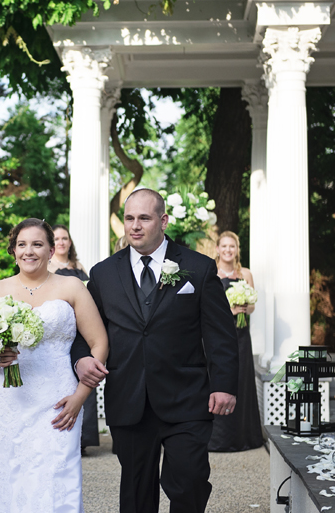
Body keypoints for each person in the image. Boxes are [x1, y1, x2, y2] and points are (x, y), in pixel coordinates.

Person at [72, 187, 239, 513]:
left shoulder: (199, 268)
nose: (135, 226)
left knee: (189, 480)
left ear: (163, 220)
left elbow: (220, 335)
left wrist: (223, 385)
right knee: (135, 492)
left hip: (186, 398)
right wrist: (80, 358)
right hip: (129, 397)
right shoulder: (104, 274)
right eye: (129, 218)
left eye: (144, 218)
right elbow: (83, 329)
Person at [0, 218, 109, 512]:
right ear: (13, 250)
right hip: (6, 402)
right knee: (6, 477)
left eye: (37, 244)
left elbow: (99, 344)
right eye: (22, 245)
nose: (28, 251)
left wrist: (80, 399)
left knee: (55, 478)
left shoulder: (71, 286)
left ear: (50, 249)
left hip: (58, 402)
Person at [208, 231, 264, 452]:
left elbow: (252, 306)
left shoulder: (246, 273)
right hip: (218, 335)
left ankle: (243, 437)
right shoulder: (212, 272)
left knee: (241, 380)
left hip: (241, 334)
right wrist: (228, 310)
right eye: (224, 246)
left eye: (232, 246)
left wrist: (244, 308)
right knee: (219, 379)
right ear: (218, 249)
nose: (228, 250)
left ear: (237, 249)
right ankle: (216, 438)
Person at [50, 224, 99, 453]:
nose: (61, 242)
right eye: (57, 239)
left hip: (82, 326)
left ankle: (85, 438)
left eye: (64, 238)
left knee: (84, 377)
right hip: (59, 327)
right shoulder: (47, 268)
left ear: (69, 242)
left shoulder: (78, 267)